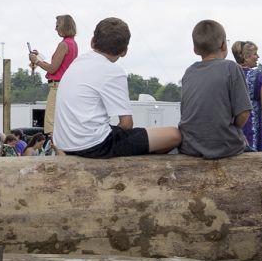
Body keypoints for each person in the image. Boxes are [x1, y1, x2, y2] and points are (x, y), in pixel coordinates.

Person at [53, 17, 178, 159]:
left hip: (65, 143)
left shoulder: (79, 62)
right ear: (124, 51)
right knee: (174, 135)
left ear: (92, 41)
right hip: (93, 146)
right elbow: (127, 123)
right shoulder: (113, 71)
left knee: (139, 135)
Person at [178, 20, 249, 160]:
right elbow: (244, 114)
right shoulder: (231, 68)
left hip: (189, 146)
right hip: (225, 146)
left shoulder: (189, 72)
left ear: (195, 49)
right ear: (224, 45)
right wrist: (233, 129)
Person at [27, 15, 79, 133]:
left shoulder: (64, 44)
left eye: (57, 25)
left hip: (57, 87)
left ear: (64, 26)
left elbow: (52, 69)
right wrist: (39, 58)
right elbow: (59, 66)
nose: (55, 29)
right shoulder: (73, 43)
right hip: (66, 85)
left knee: (50, 122)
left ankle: (53, 145)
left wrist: (36, 61)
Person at [232, 40, 262, 151]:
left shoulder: (230, 75)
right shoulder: (258, 76)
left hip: (234, 130)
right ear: (246, 57)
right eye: (255, 54)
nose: (258, 56)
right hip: (254, 129)